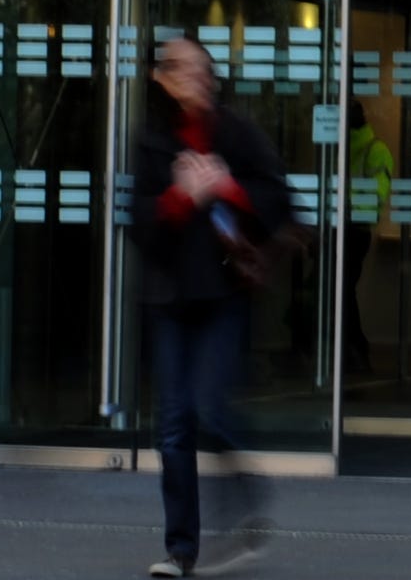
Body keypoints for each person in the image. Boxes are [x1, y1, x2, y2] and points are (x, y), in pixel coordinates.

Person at [131, 38, 294, 578]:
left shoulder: (237, 133)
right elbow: (141, 226)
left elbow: (279, 200)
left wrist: (226, 186)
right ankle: (181, 550)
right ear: (163, 78)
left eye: (201, 68)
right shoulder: (153, 141)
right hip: (169, 297)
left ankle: (247, 501)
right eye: (181, 69)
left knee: (209, 410)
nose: (194, 77)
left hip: (223, 295)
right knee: (174, 426)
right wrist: (182, 195)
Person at [343, 100, 395, 375]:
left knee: (342, 290)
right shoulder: (345, 145)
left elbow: (378, 192)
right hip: (348, 227)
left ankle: (355, 348)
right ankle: (352, 347)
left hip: (355, 228)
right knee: (341, 290)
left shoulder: (374, 149)